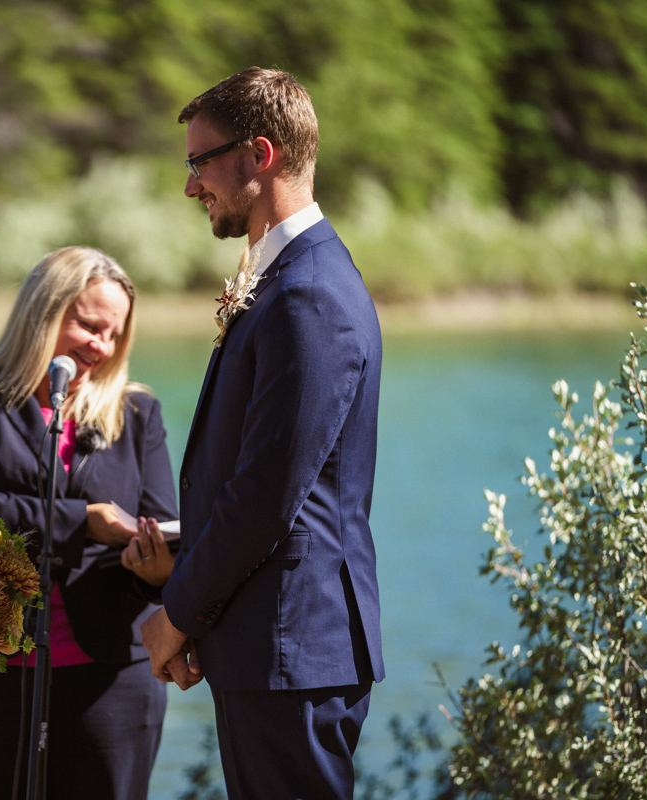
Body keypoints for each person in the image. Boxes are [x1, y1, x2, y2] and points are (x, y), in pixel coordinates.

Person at [140, 68, 385, 800]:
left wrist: (178, 614)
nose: (191, 187)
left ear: (261, 155)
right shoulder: (286, 282)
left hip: (294, 649)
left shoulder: (310, 295)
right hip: (272, 646)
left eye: (200, 161)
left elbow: (269, 496)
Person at [0, 246, 179, 800]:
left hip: (110, 676)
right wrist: (81, 521)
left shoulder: (137, 413)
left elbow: (160, 523)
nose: (101, 347)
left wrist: (156, 571)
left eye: (113, 335)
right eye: (88, 325)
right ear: (43, 311)